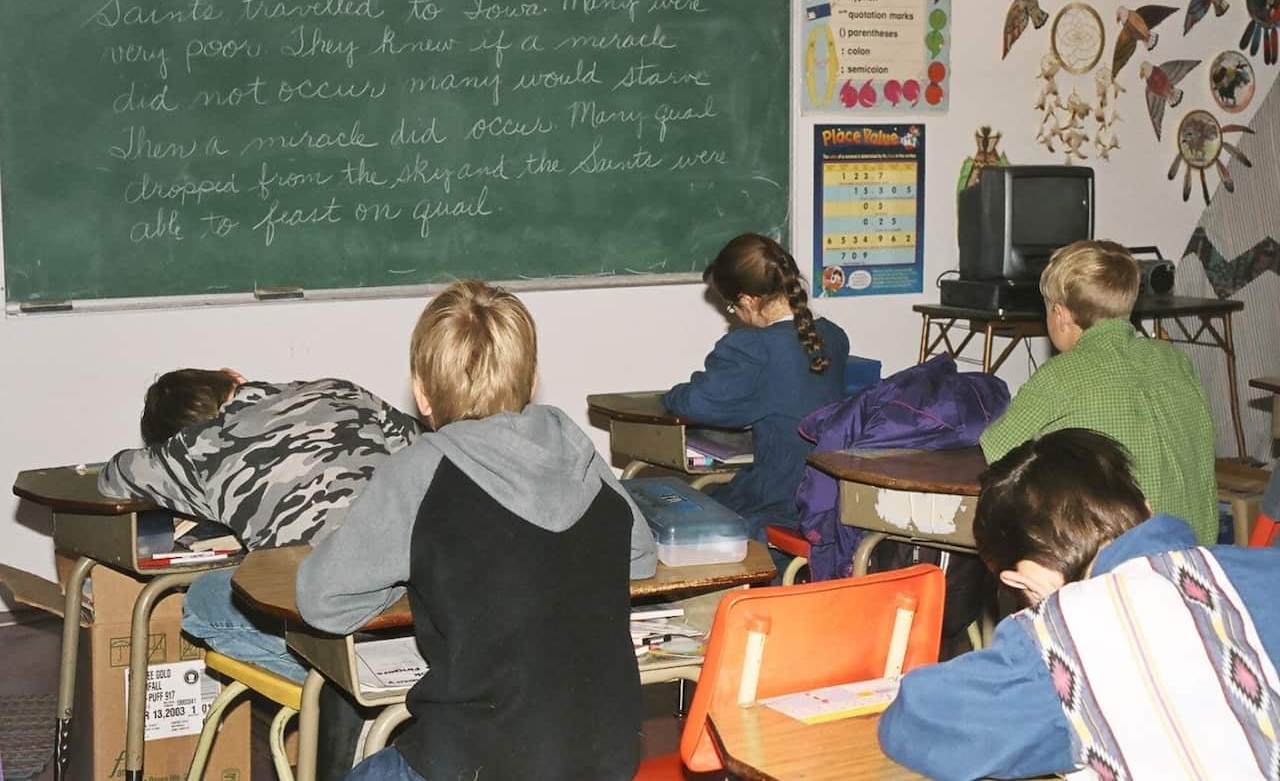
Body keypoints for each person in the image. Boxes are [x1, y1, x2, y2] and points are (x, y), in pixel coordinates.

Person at [296, 280, 658, 781]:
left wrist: (407, 571)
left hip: (472, 764)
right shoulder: (577, 452)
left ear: (421, 392)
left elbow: (322, 601)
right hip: (604, 761)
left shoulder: (418, 471)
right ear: (531, 384)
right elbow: (639, 554)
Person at [878, 428, 1280, 780]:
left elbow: (920, 720)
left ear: (1022, 579)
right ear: (1146, 508)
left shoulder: (1058, 642)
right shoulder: (1265, 572)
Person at [99, 370, 423, 776]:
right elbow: (423, 449)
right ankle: (382, 675)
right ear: (234, 377)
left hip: (334, 607)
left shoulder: (196, 449)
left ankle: (336, 682)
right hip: (419, 595)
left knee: (200, 601)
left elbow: (113, 476)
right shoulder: (339, 389)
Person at [979, 239, 1218, 544]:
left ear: (1061, 315)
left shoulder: (1063, 373)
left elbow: (997, 451)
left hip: (1121, 561)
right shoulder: (1174, 360)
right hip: (1195, 551)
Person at [664, 233, 849, 556]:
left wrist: (670, 396)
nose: (733, 314)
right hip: (827, 495)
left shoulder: (754, 349)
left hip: (780, 496)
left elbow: (697, 402)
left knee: (679, 508)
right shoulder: (833, 336)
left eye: (732, 306)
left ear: (749, 300)